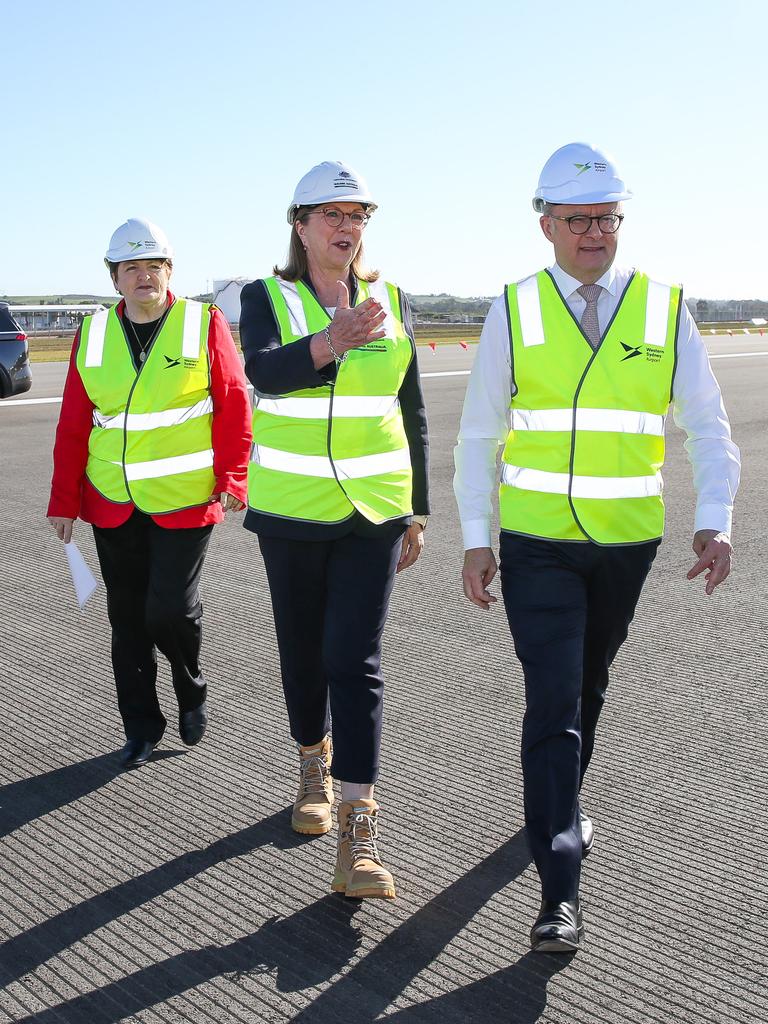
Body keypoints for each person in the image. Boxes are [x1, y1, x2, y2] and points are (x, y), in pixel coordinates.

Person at [454, 143, 740, 952]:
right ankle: (560, 888)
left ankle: (557, 802)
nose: (593, 233)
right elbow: (479, 434)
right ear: (544, 223)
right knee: (552, 698)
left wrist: (714, 516)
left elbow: (707, 426)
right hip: (537, 539)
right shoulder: (514, 308)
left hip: (625, 542)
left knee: (588, 683)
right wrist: (478, 539)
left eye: (606, 218)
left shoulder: (663, 307)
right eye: (577, 219)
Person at [240, 161, 429, 899]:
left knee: (357, 657)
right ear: (301, 225)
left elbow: (408, 406)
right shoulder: (268, 296)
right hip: (292, 510)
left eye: (358, 217)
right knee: (305, 650)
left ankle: (359, 825)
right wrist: (331, 342)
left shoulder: (394, 299)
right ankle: (311, 763)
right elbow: (264, 372)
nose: (347, 229)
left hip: (373, 511)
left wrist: (417, 508)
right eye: (332, 216)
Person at [47, 217, 252, 769]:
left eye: (153, 266)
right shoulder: (91, 335)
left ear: (170, 272)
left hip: (186, 499)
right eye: (131, 267)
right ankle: (140, 727)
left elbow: (233, 402)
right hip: (111, 501)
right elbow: (73, 423)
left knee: (170, 612)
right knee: (128, 622)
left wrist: (235, 475)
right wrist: (64, 500)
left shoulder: (202, 323)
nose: (143, 276)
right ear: (115, 278)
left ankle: (191, 687)